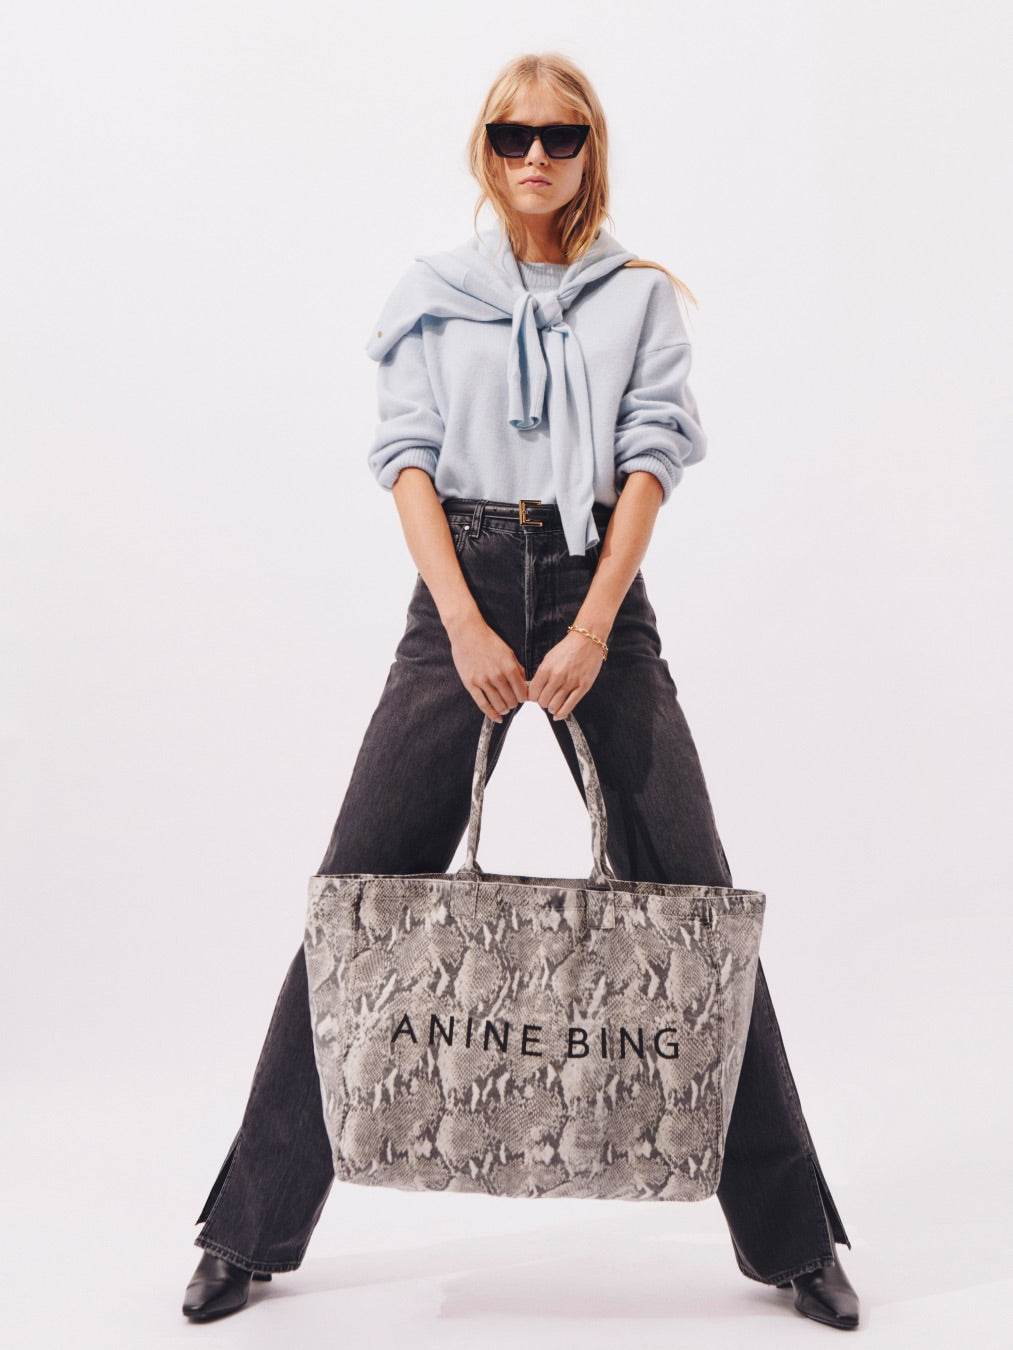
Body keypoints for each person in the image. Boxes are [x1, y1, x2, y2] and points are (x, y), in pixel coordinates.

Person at [181, 51, 860, 1331]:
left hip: (599, 585)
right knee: (354, 899)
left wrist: (593, 623)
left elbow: (651, 460)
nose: (533, 157)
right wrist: (462, 622)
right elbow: (406, 462)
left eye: (557, 136)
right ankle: (246, 1231)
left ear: (589, 147)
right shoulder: (431, 297)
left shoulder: (638, 297)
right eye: (510, 137)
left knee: (696, 903)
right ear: (483, 150)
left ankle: (791, 1240)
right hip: (464, 585)